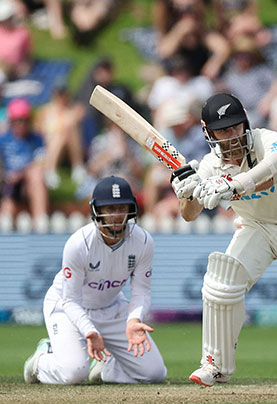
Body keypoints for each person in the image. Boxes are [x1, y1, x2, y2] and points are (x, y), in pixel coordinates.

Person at [170, 93, 277, 394]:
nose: (232, 136)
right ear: (209, 133)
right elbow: (189, 215)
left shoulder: (266, 139)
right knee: (221, 282)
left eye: (235, 127)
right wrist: (186, 192)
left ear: (245, 121)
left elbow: (275, 169)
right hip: (258, 228)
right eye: (223, 131)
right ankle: (215, 365)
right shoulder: (210, 165)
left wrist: (233, 185)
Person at [23, 176, 167, 385]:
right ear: (97, 210)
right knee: (73, 374)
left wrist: (134, 319)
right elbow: (70, 299)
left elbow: (141, 292)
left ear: (131, 209)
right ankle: (41, 361)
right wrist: (89, 330)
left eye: (121, 208)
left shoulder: (143, 241)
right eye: (109, 209)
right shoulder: (78, 244)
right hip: (67, 309)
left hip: (110, 307)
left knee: (154, 374)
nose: (117, 215)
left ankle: (106, 368)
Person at [0, 97, 48, 225]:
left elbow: (41, 163)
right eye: (18, 120)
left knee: (36, 174)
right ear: (11, 121)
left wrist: (20, 174)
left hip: (29, 184)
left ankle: (40, 219)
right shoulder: (3, 140)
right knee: (7, 213)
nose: (21, 124)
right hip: (9, 186)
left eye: (25, 120)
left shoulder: (37, 139)